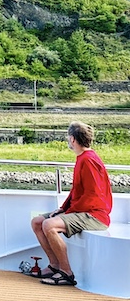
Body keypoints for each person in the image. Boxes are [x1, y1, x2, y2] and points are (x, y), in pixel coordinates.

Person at [29, 121, 112, 286]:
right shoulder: (83, 158)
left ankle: (66, 272)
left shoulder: (88, 161)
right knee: (37, 222)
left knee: (49, 225)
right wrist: (63, 208)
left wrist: (68, 212)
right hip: (83, 210)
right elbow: (76, 191)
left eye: (69, 137)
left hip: (95, 215)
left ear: (73, 139)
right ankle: (54, 265)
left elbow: (92, 195)